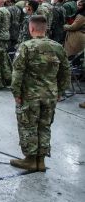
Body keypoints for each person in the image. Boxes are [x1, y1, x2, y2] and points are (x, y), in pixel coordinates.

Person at [10, 15, 70, 171]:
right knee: (45, 126)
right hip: (50, 95)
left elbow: (17, 73)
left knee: (28, 126)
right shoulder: (58, 47)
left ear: (31, 28)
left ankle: (30, 160)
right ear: (45, 29)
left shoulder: (26, 46)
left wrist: (16, 92)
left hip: (30, 95)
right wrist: (60, 91)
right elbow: (65, 71)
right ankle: (41, 161)